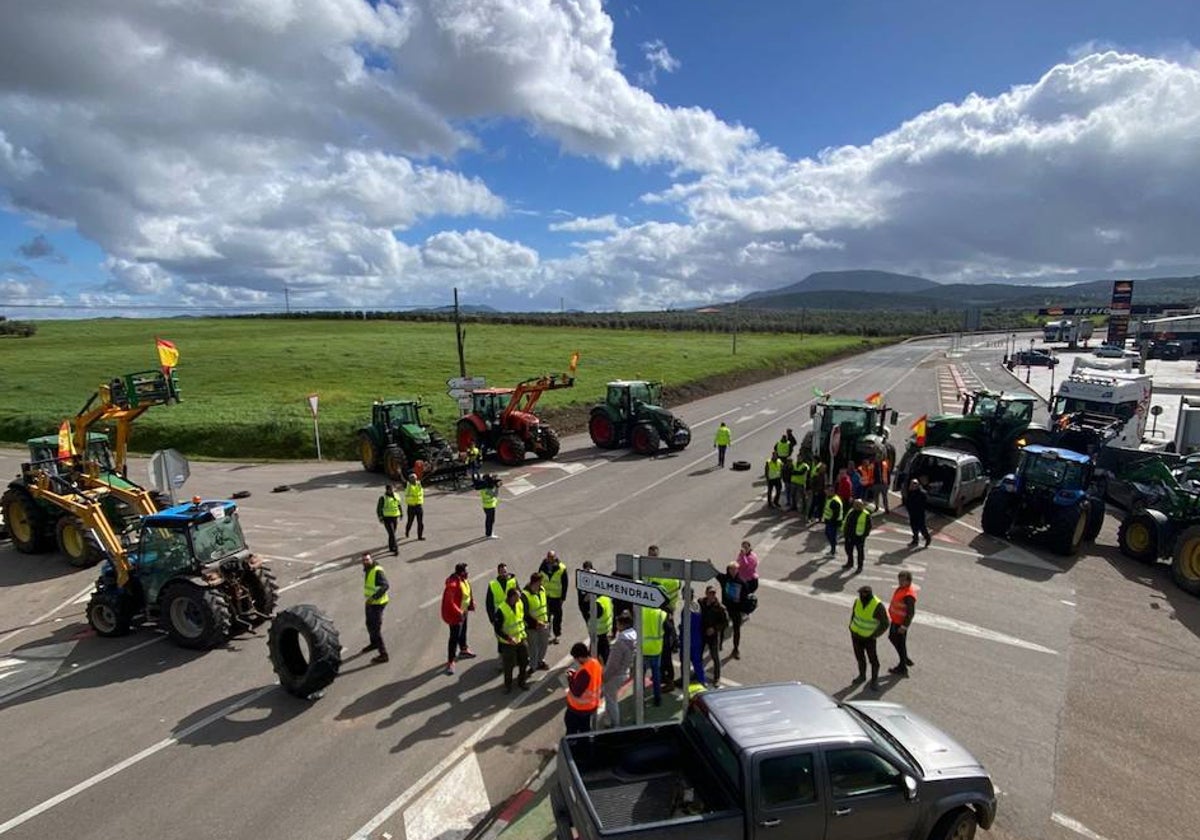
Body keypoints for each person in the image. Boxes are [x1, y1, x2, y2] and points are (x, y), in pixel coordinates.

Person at [849, 585, 889, 691]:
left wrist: (874, 635)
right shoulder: (857, 601)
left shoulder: (877, 605)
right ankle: (862, 676)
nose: (862, 596)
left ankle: (874, 680)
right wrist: (851, 626)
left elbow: (885, 623)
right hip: (856, 635)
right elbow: (854, 614)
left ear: (869, 594)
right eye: (861, 594)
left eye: (864, 594)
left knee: (873, 660)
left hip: (869, 638)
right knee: (860, 658)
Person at [440, 562, 476, 674]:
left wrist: (471, 602)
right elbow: (450, 602)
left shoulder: (463, 580)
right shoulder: (453, 584)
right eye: (466, 571)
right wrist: (459, 612)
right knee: (454, 637)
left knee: (463, 631)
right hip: (456, 615)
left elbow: (468, 591)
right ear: (461, 572)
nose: (468, 573)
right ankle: (451, 661)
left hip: (463, 611)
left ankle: (464, 649)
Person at [602, 612, 636, 728]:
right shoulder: (634, 638)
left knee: (611, 701)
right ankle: (607, 720)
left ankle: (615, 724)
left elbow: (613, 665)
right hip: (625, 671)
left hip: (616, 675)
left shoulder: (620, 643)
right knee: (610, 697)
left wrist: (604, 677)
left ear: (621, 625)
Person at [494, 586, 530, 693]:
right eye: (517, 597)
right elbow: (498, 629)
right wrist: (509, 638)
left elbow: (521, 619)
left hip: (520, 639)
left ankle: (521, 681)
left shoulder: (519, 604)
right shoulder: (501, 610)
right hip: (508, 643)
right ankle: (508, 685)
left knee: (524, 661)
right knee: (509, 665)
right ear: (511, 597)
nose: (519, 599)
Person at [564, 642, 603, 735]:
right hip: (591, 704)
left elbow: (576, 691)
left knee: (571, 727)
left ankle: (571, 746)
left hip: (579, 707)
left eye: (576, 658)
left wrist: (570, 679)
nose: (576, 661)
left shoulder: (585, 672)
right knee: (584, 728)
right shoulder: (595, 663)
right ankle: (586, 745)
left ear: (580, 657)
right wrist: (574, 676)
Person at [361, 553, 390, 664]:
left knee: (375, 628)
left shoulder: (377, 571)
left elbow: (385, 585)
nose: (365, 562)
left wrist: (373, 597)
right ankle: (373, 644)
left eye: (367, 559)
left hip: (378, 603)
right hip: (370, 602)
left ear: (371, 559)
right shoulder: (368, 569)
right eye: (363, 560)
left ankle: (383, 654)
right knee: (369, 624)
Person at [887, 571, 918, 676]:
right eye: (899, 580)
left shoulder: (909, 595)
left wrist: (904, 626)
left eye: (902, 580)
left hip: (900, 624)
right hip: (895, 621)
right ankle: (904, 658)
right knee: (892, 638)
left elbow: (911, 613)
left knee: (900, 644)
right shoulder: (902, 589)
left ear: (909, 581)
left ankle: (902, 667)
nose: (900, 582)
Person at [698, 585, 729, 687]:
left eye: (713, 593)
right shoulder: (701, 602)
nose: (712, 595)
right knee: (698, 655)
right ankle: (698, 674)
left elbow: (725, 623)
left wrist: (714, 629)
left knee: (715, 657)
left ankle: (716, 678)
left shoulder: (720, 608)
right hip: (702, 633)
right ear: (706, 593)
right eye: (710, 593)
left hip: (713, 636)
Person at [716, 562, 746, 659]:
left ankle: (735, 649)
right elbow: (715, 573)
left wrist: (743, 608)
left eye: (735, 569)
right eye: (731, 569)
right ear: (728, 570)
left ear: (738, 570)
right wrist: (710, 565)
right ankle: (719, 643)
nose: (733, 571)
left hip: (736, 610)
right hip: (725, 608)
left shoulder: (742, 582)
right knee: (722, 626)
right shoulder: (724, 579)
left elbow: (745, 596)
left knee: (736, 630)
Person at [523, 572, 551, 671]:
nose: (542, 583)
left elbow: (545, 606)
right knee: (533, 647)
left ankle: (540, 661)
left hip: (544, 623)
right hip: (532, 626)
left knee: (544, 644)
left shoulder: (542, 590)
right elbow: (525, 614)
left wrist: (547, 620)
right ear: (536, 582)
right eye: (541, 582)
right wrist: (536, 623)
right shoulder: (525, 595)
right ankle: (533, 666)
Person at [539, 550, 569, 644]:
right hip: (545, 597)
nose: (550, 559)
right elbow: (539, 579)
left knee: (557, 618)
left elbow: (565, 584)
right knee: (545, 617)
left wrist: (563, 598)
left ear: (555, 557)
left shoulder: (561, 568)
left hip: (556, 597)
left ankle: (557, 635)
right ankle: (547, 635)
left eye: (552, 557)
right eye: (548, 557)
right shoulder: (543, 566)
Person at [640, 604, 665, 706]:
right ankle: (657, 699)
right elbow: (668, 628)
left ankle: (640, 699)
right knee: (656, 675)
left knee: (641, 675)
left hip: (643, 648)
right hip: (656, 649)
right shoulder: (661, 614)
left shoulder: (641, 610)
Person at [843, 498, 872, 572]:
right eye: (855, 505)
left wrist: (864, 535)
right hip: (850, 535)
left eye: (858, 505)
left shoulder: (866, 514)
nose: (856, 506)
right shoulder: (851, 511)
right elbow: (846, 522)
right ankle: (850, 562)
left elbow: (868, 526)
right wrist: (845, 533)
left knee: (860, 552)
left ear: (862, 505)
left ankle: (860, 566)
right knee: (848, 550)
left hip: (859, 537)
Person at [905, 479, 931, 548]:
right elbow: (908, 501)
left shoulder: (922, 493)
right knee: (913, 526)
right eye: (911, 484)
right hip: (912, 512)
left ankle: (927, 538)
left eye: (914, 484)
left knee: (922, 527)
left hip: (919, 513)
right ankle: (915, 539)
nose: (912, 486)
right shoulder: (910, 492)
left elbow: (925, 503)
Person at [376, 485, 401, 556]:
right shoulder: (383, 498)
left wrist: (401, 513)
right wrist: (380, 518)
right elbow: (379, 509)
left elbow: (398, 505)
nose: (392, 491)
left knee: (392, 534)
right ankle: (396, 549)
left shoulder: (396, 495)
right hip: (387, 518)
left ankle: (390, 547)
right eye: (390, 490)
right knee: (392, 533)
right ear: (387, 490)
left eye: (392, 489)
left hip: (395, 517)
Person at [822, 492, 845, 557]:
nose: (826, 492)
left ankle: (833, 551)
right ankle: (833, 547)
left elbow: (836, 514)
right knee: (828, 534)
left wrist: (831, 520)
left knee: (832, 536)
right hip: (830, 521)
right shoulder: (831, 499)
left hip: (833, 522)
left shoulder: (834, 501)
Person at [404, 473, 425, 540]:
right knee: (410, 521)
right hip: (411, 507)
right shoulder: (407, 485)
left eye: (414, 479)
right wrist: (400, 473)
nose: (414, 480)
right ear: (409, 480)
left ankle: (420, 536)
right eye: (412, 479)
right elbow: (402, 480)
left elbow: (426, 477)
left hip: (419, 506)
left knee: (420, 523)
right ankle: (407, 531)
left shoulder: (419, 484)